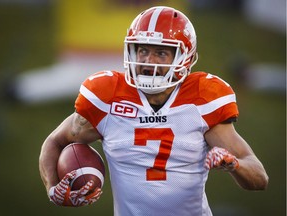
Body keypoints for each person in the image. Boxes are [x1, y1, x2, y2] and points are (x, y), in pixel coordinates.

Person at [39, 6, 268, 216]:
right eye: (143, 51)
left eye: (161, 53)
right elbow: (54, 142)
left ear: (184, 58)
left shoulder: (201, 100)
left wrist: (233, 164)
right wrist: (52, 190)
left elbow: (259, 178)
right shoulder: (107, 98)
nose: (149, 61)